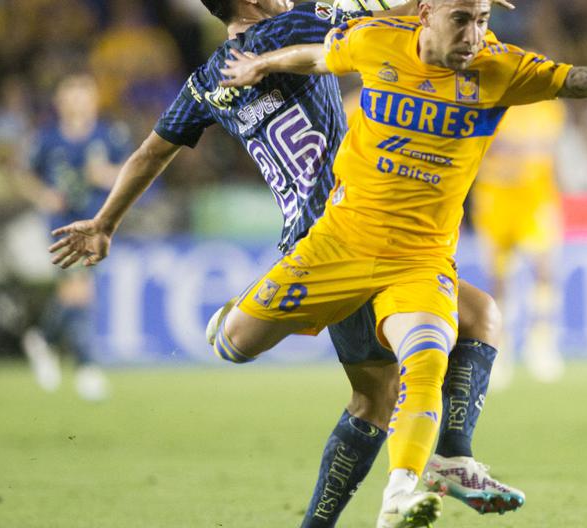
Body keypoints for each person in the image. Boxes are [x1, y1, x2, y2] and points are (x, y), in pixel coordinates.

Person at [209, 1, 587, 526]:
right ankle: (242, 314)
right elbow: (319, 54)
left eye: (483, 20)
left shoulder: (502, 68)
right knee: (234, 345)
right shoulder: (378, 40)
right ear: (424, 14)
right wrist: (260, 63)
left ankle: (401, 497)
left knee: (426, 355)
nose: (474, 36)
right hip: (338, 244)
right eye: (462, 20)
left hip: (419, 260)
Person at [48, 1, 522, 526]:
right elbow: (398, 13)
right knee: (379, 398)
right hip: (348, 231)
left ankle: (450, 458)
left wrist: (105, 223)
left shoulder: (207, 80)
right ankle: (422, 470)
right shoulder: (296, 25)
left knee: (463, 328)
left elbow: (150, 154)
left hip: (320, 229)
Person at [21, 72, 130, 402]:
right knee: (79, 292)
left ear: (95, 99)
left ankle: (42, 338)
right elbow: (24, 175)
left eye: (84, 94)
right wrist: (42, 195)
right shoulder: (48, 139)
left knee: (76, 293)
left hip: (97, 224)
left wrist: (105, 175)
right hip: (61, 224)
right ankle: (86, 369)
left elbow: (132, 173)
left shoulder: (109, 135)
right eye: (72, 94)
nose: (79, 101)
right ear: (60, 101)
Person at [470, 100, 567, 388]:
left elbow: (553, 155)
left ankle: (542, 343)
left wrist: (559, 194)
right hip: (496, 199)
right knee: (499, 281)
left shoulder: (550, 109)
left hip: (535, 200)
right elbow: (474, 152)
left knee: (544, 269)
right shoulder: (491, 104)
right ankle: (501, 350)